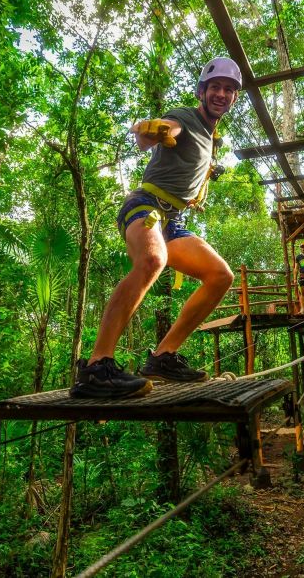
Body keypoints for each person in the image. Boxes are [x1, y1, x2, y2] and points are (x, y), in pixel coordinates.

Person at [70, 57, 241, 399]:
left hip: (172, 221)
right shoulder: (186, 117)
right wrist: (153, 131)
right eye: (215, 87)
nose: (221, 94)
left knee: (221, 276)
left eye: (228, 89)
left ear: (234, 97)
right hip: (145, 206)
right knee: (152, 260)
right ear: (202, 92)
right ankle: (96, 367)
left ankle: (164, 357)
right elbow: (167, 128)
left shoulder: (212, 137)